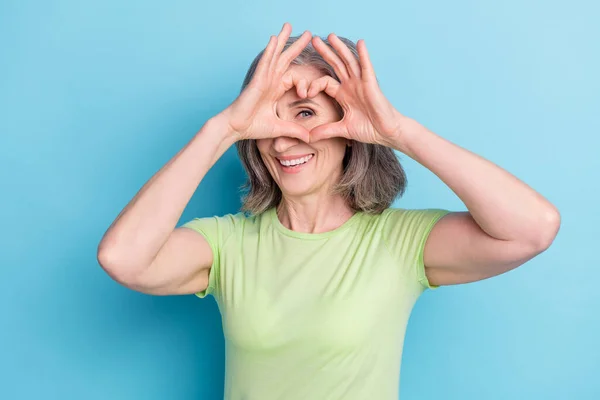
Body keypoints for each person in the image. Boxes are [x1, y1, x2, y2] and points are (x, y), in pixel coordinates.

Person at [97, 23, 560, 400]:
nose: (281, 139)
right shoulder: (227, 244)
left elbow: (533, 228)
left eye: (303, 114)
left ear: (349, 128)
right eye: (268, 119)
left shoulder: (401, 242)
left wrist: (397, 131)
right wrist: (223, 128)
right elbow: (123, 259)